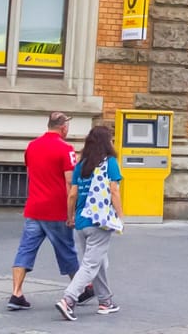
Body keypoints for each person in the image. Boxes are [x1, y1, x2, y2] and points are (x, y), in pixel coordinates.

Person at [10, 112, 82, 311]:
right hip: (56, 209)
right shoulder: (66, 149)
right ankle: (81, 289)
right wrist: (71, 213)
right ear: (63, 127)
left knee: (25, 249)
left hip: (34, 207)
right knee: (67, 249)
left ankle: (16, 292)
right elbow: (70, 181)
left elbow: (30, 173)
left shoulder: (32, 146)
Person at [57, 124, 125, 321]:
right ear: (106, 143)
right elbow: (114, 190)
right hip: (99, 222)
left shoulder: (81, 165)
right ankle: (68, 300)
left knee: (99, 261)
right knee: (90, 264)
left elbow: (72, 194)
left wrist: (70, 216)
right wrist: (120, 216)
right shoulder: (110, 163)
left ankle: (105, 301)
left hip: (81, 221)